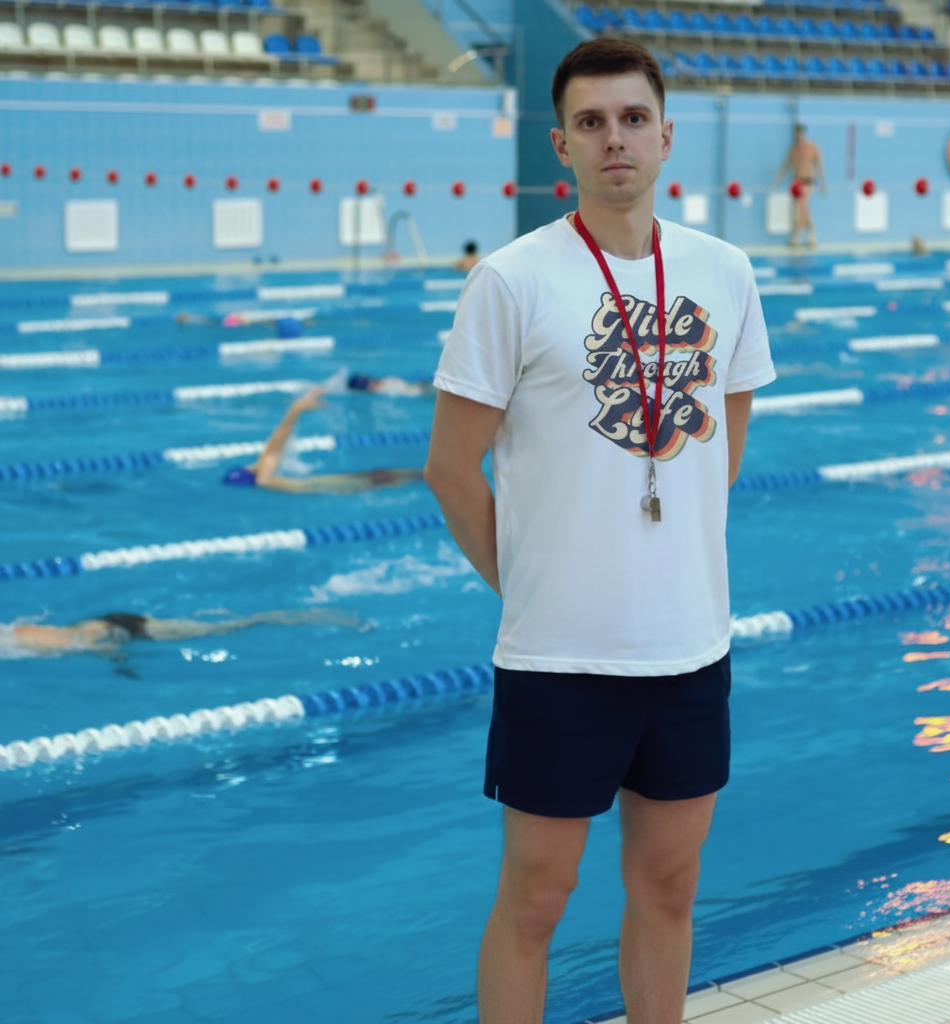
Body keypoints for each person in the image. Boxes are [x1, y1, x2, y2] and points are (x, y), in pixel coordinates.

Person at [423, 38, 775, 1024]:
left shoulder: (725, 271)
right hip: (558, 659)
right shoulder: (511, 280)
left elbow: (722, 451)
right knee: (536, 898)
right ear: (560, 148)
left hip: (690, 646)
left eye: (630, 119)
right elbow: (450, 470)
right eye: (591, 123)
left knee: (668, 887)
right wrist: (531, 585)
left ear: (666, 136)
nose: (613, 139)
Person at [221, 386, 422, 493]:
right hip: (333, 485)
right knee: (393, 477)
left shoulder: (266, 481)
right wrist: (295, 410)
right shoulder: (263, 477)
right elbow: (274, 448)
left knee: (395, 478)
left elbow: (272, 452)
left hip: (327, 487)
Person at [1, 607, 362, 658]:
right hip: (106, 625)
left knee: (230, 627)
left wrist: (119, 659)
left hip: (115, 629)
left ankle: (299, 616)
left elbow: (84, 643)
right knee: (219, 626)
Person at [773, 123, 826, 248]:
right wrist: (778, 178)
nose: (798, 136)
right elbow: (787, 165)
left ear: (804, 133)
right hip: (796, 184)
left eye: (800, 133)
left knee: (801, 209)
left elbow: (819, 166)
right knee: (802, 210)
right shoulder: (794, 150)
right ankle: (808, 236)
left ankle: (798, 237)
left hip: (808, 182)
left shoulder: (812, 148)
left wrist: (823, 182)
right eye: (796, 134)